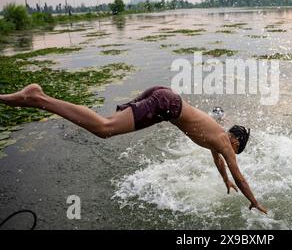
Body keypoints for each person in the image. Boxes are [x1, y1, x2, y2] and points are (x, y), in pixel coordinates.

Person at [0, 84, 267, 214]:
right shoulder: (225, 142)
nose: (233, 153)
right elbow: (240, 173)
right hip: (166, 104)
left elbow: (219, 161)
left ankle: (39, 98)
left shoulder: (217, 139)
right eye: (237, 150)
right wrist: (254, 202)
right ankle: (38, 98)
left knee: (105, 127)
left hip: (165, 97)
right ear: (236, 142)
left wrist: (225, 181)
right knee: (104, 128)